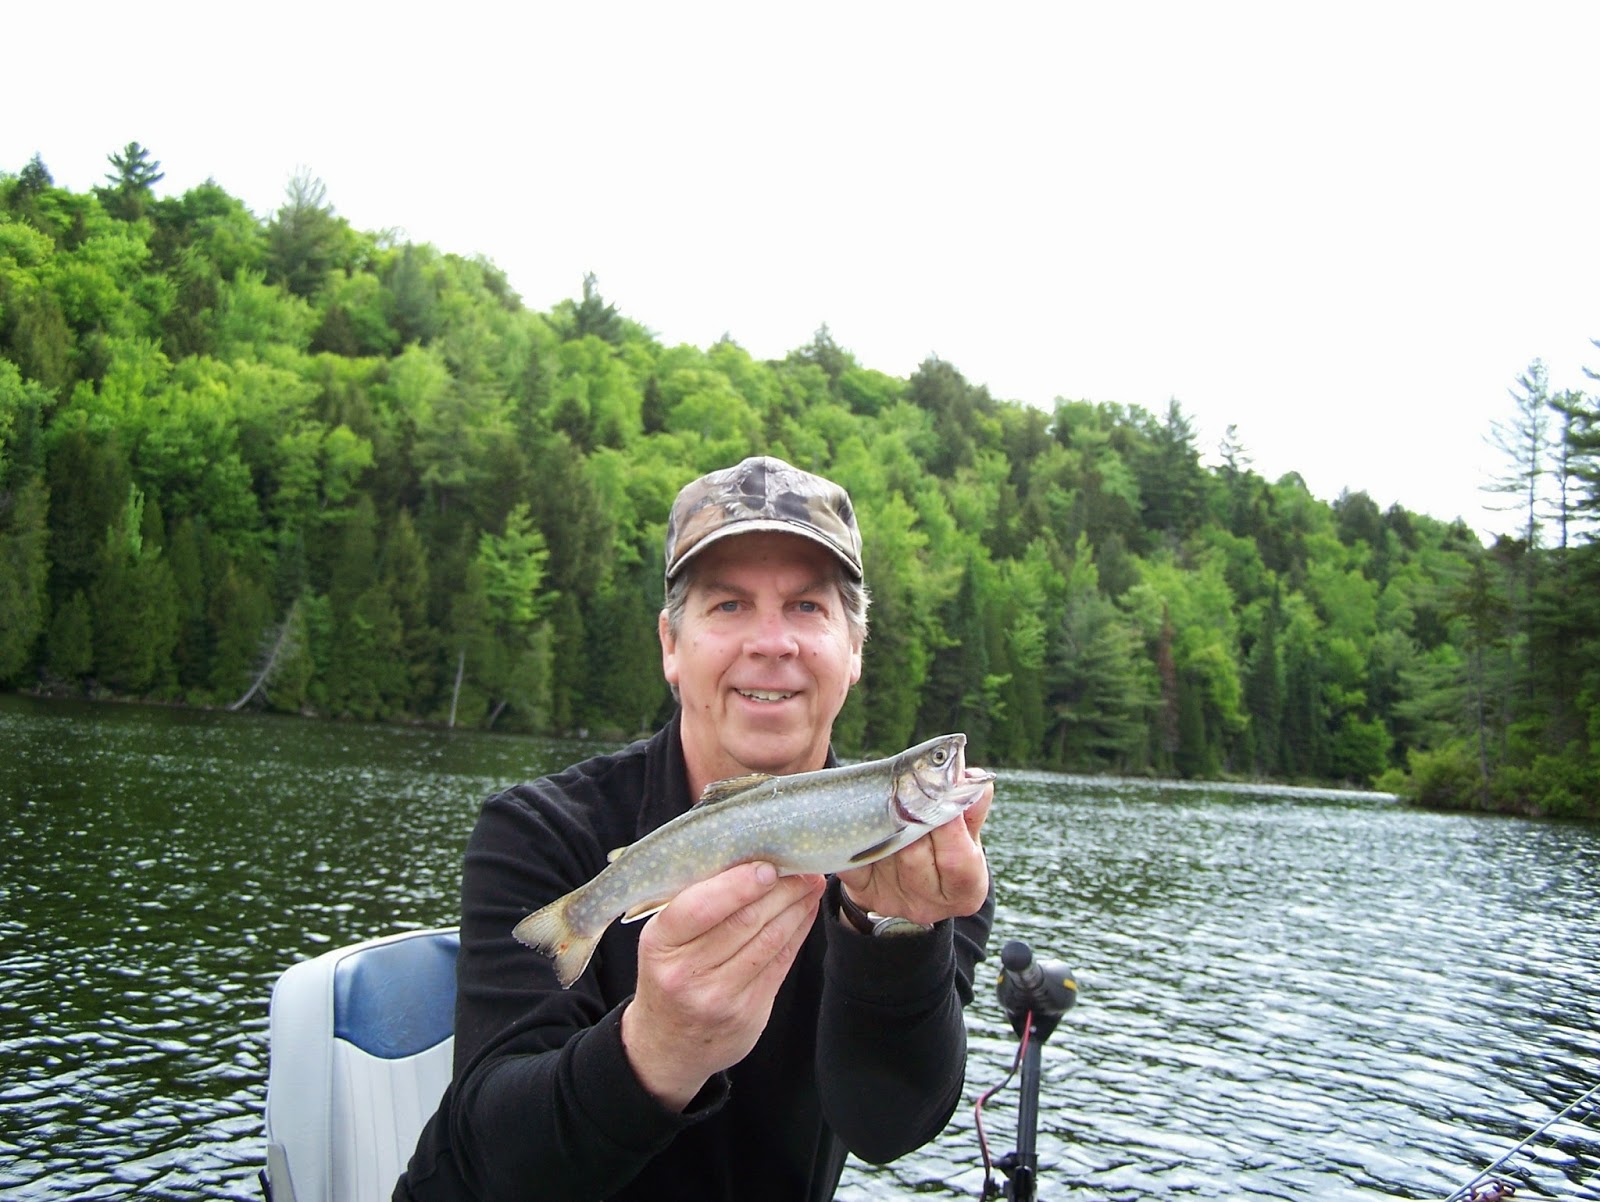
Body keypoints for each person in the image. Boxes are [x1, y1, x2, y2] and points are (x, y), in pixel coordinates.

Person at [395, 455, 995, 1202]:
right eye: (728, 606)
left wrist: (897, 942)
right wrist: (658, 1048)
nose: (770, 642)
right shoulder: (537, 832)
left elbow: (886, 1129)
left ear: (856, 649)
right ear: (671, 647)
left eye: (808, 608)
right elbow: (489, 1162)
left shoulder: (929, 864)